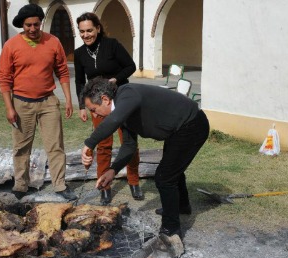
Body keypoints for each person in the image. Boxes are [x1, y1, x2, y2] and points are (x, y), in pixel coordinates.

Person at [80, 77, 209, 239]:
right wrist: (113, 170)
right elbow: (129, 146)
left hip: (192, 125)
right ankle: (181, 206)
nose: (95, 115)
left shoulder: (127, 94)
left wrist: (89, 143)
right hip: (178, 130)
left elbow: (115, 120)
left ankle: (171, 230)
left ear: (105, 99)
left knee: (164, 176)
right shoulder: (121, 111)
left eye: (93, 109)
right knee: (172, 169)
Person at [0, 3, 76, 200]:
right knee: (21, 147)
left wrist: (67, 99)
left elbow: (63, 71)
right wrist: (9, 107)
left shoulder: (53, 42)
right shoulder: (11, 46)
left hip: (48, 102)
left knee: (55, 145)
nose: (32, 29)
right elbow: (4, 78)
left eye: (36, 24)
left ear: (41, 23)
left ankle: (60, 184)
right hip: (21, 103)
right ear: (22, 25)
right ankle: (21, 185)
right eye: (28, 25)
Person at [74, 12, 143, 205]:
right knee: (103, 144)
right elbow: (80, 81)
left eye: (89, 30)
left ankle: (134, 181)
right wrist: (81, 105)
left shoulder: (112, 45)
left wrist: (115, 79)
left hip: (121, 99)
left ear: (97, 28)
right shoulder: (80, 53)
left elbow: (130, 66)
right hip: (98, 104)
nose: (86, 35)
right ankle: (104, 185)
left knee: (128, 142)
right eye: (82, 31)